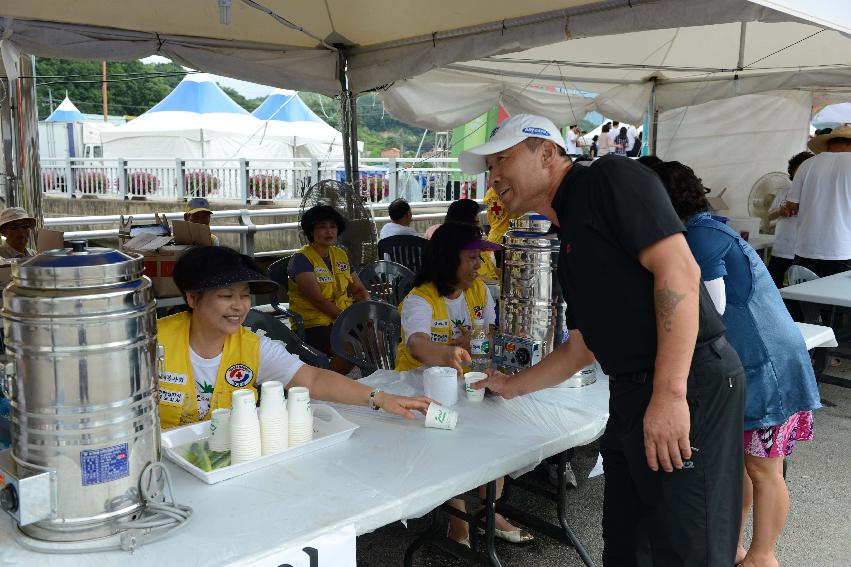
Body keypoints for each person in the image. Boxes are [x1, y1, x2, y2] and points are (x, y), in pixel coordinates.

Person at [459, 113, 745, 566]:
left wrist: (670, 395)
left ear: (548, 153)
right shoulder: (567, 231)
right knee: (629, 544)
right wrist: (510, 385)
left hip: (687, 382)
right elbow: (584, 345)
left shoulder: (611, 178)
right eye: (488, 168)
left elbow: (680, 272)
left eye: (502, 161)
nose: (492, 178)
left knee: (690, 548)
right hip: (631, 391)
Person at [653, 161, 821, 567]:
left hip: (767, 366)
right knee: (744, 467)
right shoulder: (702, 230)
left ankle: (763, 556)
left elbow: (710, 310)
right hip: (754, 363)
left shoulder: (701, 236)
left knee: (764, 470)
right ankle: (733, 546)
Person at [157, 246, 431, 430]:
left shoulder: (251, 346)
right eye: (227, 296)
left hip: (228, 456)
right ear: (192, 298)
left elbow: (313, 379)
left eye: (244, 295)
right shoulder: (151, 343)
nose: (239, 306)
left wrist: (379, 398)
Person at [395, 223, 532, 545]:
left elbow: (486, 336)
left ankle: (489, 510)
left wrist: (480, 348)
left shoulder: (479, 291)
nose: (479, 265)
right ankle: (458, 519)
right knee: (447, 438)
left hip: (467, 378)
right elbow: (417, 344)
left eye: (479, 258)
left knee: (499, 428)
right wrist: (449, 351)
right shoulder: (420, 299)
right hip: (420, 384)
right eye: (471, 257)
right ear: (447, 258)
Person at [287, 205, 370, 373]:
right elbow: (317, 300)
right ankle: (325, 384)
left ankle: (377, 380)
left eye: (333, 227)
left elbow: (360, 290)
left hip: (343, 318)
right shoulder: (301, 259)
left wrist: (366, 312)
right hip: (314, 325)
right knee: (350, 348)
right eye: (322, 227)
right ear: (311, 231)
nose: (329, 232)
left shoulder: (340, 255)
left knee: (377, 334)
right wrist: (349, 319)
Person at [783, 124, 851, 276]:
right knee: (835, 298)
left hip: (806, 247)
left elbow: (792, 205)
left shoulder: (807, 164)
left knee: (805, 297)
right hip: (842, 249)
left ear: (828, 144)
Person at [766, 152, 814, 287]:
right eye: (799, 170)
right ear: (792, 172)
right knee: (773, 283)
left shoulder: (815, 194)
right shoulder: (783, 192)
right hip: (781, 247)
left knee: (799, 286)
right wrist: (780, 211)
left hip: (803, 250)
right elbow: (769, 216)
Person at [424, 199, 498, 282]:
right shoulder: (453, 245)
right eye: (475, 215)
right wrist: (498, 285)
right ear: (468, 219)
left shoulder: (475, 242)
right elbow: (466, 275)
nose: (478, 219)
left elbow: (492, 270)